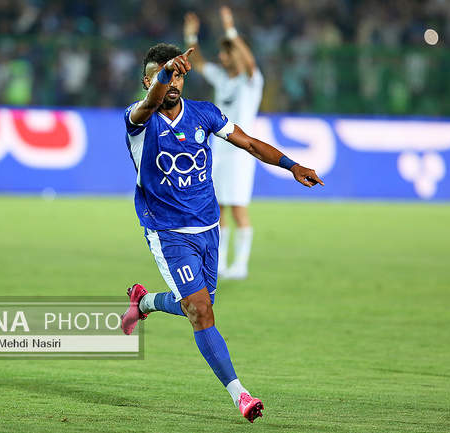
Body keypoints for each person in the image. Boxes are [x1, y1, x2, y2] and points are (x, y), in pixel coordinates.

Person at [120, 43, 323, 423]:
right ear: (148, 81)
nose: (172, 82)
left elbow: (249, 143)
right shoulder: (138, 119)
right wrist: (165, 74)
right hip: (168, 232)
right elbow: (149, 104)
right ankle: (241, 395)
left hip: (209, 227)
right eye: (163, 76)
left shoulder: (205, 114)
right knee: (201, 311)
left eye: (177, 75)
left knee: (196, 306)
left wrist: (292, 166)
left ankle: (143, 302)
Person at [183, 7, 263, 279]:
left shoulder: (251, 82)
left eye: (225, 53)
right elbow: (200, 63)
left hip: (240, 154)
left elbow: (249, 62)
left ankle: (241, 264)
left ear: (234, 55)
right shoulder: (222, 78)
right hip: (218, 151)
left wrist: (230, 30)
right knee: (216, 208)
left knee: (238, 209)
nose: (221, 57)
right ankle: (219, 263)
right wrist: (191, 36)